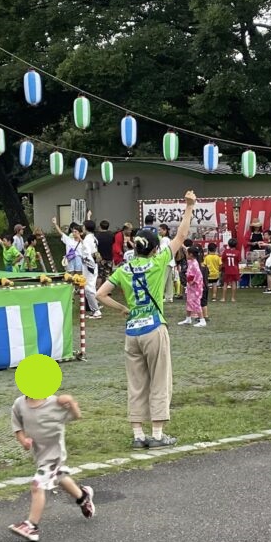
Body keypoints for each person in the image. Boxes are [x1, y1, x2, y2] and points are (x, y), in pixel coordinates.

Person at [96, 191, 197, 449]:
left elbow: (99, 294)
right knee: (160, 379)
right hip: (154, 327)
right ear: (154, 248)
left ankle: (138, 434)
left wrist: (122, 309)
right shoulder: (158, 262)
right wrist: (188, 206)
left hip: (132, 332)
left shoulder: (124, 269)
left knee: (137, 382)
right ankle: (158, 434)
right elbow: (181, 236)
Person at [8, 392, 95, 542]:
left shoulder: (55, 402)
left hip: (55, 454)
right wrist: (23, 441)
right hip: (40, 454)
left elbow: (76, 416)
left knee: (37, 485)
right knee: (59, 477)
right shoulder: (19, 404)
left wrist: (71, 402)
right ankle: (83, 496)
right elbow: (17, 427)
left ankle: (31, 526)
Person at [52, 219, 102, 319]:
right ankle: (94, 309)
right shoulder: (92, 237)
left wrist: (87, 262)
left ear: (85, 228)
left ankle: (96, 310)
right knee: (88, 287)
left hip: (89, 265)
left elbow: (87, 252)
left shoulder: (87, 239)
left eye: (83, 226)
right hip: (92, 265)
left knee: (88, 288)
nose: (82, 227)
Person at [178, 245, 205, 327]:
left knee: (196, 302)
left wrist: (192, 282)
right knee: (189, 301)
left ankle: (202, 320)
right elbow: (186, 249)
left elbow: (199, 275)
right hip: (190, 285)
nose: (186, 254)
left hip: (195, 286)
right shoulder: (191, 261)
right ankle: (188, 318)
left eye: (187, 253)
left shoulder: (195, 263)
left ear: (191, 255)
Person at [158, 224, 176, 303]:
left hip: (166, 261)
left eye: (160, 230)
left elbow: (162, 250)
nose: (159, 231)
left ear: (165, 230)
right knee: (169, 280)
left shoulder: (164, 239)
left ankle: (159, 296)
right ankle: (169, 297)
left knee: (163, 280)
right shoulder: (168, 239)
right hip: (171, 261)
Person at [96, 220, 115, 286]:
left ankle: (98, 288)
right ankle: (108, 290)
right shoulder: (111, 235)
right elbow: (113, 243)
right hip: (109, 256)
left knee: (99, 274)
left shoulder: (97, 236)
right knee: (108, 274)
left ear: (100, 226)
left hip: (100, 258)